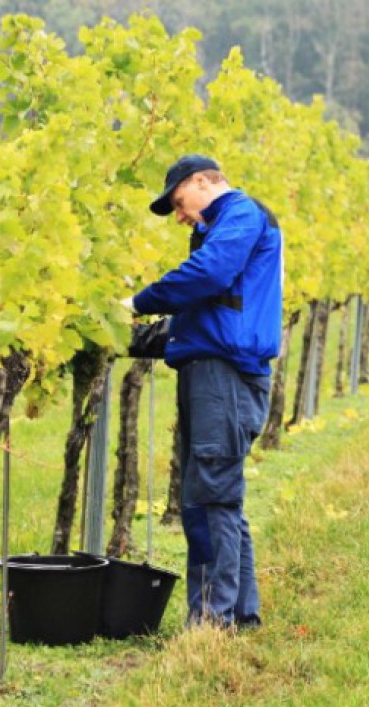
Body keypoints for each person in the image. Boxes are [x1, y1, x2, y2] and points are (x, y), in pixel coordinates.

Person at [126, 155, 283, 628]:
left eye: (178, 202)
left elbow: (208, 277)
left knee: (210, 496)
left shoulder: (240, 214)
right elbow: (208, 310)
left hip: (226, 377)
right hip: (213, 371)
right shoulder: (220, 226)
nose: (179, 215)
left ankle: (211, 623)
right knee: (220, 497)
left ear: (202, 182)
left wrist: (136, 302)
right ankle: (239, 614)